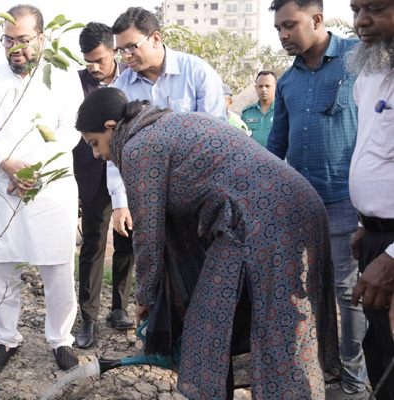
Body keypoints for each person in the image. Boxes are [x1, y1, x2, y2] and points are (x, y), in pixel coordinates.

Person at [76, 86, 341, 399]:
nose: (97, 154)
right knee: (211, 323)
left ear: (111, 127)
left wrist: (146, 298)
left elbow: (147, 233)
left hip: (271, 221)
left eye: (95, 143)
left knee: (280, 332)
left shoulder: (138, 146)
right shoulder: (164, 123)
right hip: (271, 213)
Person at [0, 4, 83, 372]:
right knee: (1, 265)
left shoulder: (64, 74)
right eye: (8, 39)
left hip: (50, 185)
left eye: (23, 39)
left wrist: (35, 170)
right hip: (2, 184)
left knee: (57, 266)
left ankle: (60, 339)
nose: (15, 47)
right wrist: (7, 165)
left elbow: (71, 129)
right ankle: (5, 338)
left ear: (42, 37)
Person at [267, 1, 367, 398]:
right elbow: (276, 144)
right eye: (277, 28)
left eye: (289, 25)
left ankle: (355, 380)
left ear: (317, 19)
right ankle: (317, 370)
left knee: (349, 294)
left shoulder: (358, 60)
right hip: (302, 207)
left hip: (347, 201)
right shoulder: (287, 82)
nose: (283, 35)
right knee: (302, 293)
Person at [106, 6, 227, 270]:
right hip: (147, 200)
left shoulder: (197, 73)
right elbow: (116, 152)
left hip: (198, 196)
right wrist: (120, 203)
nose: (125, 56)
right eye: (120, 50)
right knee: (159, 271)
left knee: (202, 268)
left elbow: (217, 139)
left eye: (131, 47)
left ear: (156, 38)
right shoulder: (121, 89)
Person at [72, 21, 135, 350]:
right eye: (87, 61)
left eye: (98, 59)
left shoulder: (131, 78)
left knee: (127, 240)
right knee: (93, 246)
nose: (93, 67)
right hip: (92, 176)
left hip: (127, 172)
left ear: (113, 50)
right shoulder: (75, 83)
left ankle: (119, 308)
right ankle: (88, 319)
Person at [346, 0, 394, 397]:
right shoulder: (372, 74)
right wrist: (366, 223)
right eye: (355, 7)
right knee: (378, 351)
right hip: (378, 240)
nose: (361, 21)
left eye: (375, 8)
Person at [241, 70, 277, 147]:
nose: (263, 89)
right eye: (260, 86)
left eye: (267, 86)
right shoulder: (247, 113)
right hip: (252, 157)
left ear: (276, 87)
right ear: (256, 88)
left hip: (276, 157)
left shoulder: (283, 111)